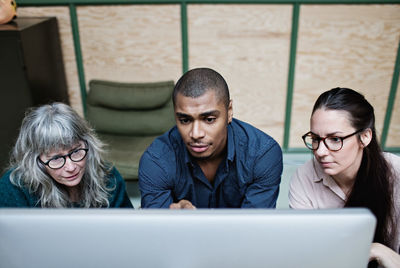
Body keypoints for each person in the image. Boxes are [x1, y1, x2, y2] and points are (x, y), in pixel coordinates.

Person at [139, 67, 283, 209]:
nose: (195, 134)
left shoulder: (262, 155)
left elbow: (254, 228)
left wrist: (191, 226)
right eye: (185, 120)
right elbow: (158, 229)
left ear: (229, 111)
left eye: (209, 119)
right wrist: (174, 220)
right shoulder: (156, 160)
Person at [289, 87, 400, 268]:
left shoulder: (396, 173)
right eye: (315, 138)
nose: (320, 151)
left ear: (364, 137)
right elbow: (307, 252)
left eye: (335, 139)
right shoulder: (304, 178)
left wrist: (380, 250)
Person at [0, 103, 133, 208]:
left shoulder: (109, 177)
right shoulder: (14, 188)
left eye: (75, 152)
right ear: (36, 161)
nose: (70, 167)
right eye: (56, 158)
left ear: (89, 145)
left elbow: (129, 231)